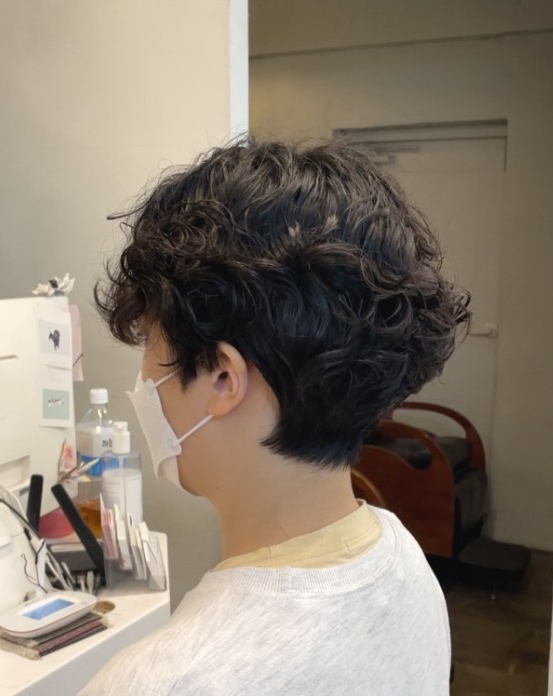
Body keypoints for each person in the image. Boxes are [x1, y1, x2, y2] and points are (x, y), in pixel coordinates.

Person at [79, 140, 469, 695]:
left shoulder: (167, 681)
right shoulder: (404, 559)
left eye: (149, 341)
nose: (143, 379)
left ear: (222, 377)